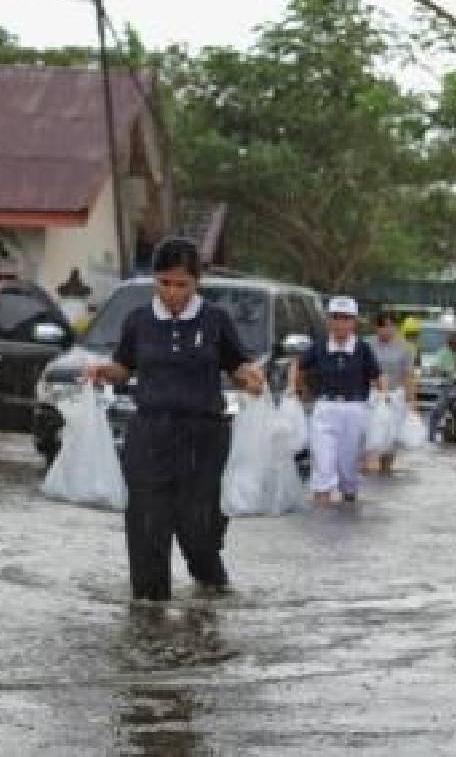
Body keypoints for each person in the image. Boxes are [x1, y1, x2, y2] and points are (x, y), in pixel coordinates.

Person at [83, 238, 265, 602]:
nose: (172, 292)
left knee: (199, 529)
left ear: (197, 282)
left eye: (181, 284)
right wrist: (105, 371)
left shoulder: (216, 320)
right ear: (154, 280)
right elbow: (124, 366)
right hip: (150, 434)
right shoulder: (139, 321)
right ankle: (150, 611)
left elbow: (237, 365)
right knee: (147, 524)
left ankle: (211, 592)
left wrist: (249, 377)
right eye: (164, 283)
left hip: (203, 436)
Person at [291, 297, 386, 505]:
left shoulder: (363, 349)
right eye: (336, 318)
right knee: (323, 466)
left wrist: (384, 403)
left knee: (347, 469)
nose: (341, 323)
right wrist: (295, 389)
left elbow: (378, 377)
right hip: (325, 410)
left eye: (346, 318)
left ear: (354, 322)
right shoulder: (319, 346)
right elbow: (298, 364)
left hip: (355, 410)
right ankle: (322, 526)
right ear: (329, 321)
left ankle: (348, 509)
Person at [366, 312, 417, 474]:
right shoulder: (367, 345)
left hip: (395, 396)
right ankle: (366, 462)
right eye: (381, 326)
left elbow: (408, 375)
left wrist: (411, 400)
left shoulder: (405, 348)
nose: (385, 330)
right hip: (372, 394)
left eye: (389, 326)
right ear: (376, 328)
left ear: (395, 327)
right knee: (370, 431)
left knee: (390, 433)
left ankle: (385, 467)